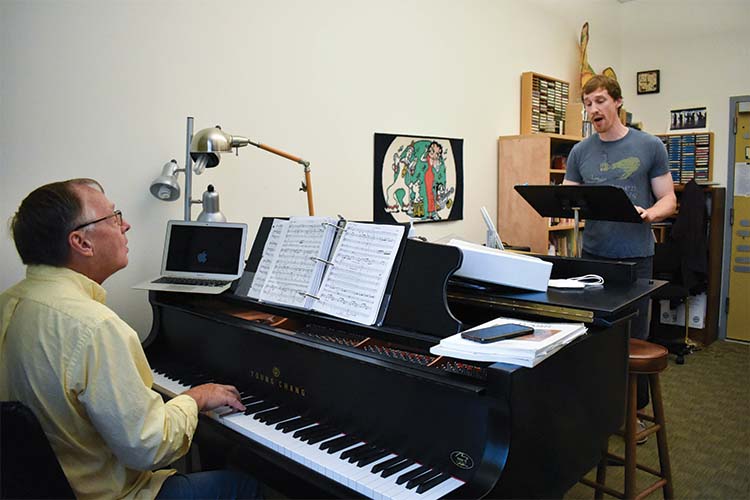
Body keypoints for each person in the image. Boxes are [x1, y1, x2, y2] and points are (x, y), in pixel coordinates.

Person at [0, 178, 261, 499]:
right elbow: (150, 447)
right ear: (81, 242)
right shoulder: (94, 326)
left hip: (41, 487)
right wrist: (196, 398)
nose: (125, 225)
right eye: (112, 217)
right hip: (107, 495)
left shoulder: (10, 302)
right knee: (243, 485)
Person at [564, 75, 677, 430]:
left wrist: (649, 214)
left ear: (617, 102)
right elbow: (569, 197)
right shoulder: (581, 152)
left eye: (599, 101)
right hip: (593, 257)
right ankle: (599, 412)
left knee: (634, 335)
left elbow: (669, 200)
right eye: (587, 104)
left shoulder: (649, 146)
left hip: (635, 258)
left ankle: (634, 416)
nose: (593, 109)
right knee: (594, 335)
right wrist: (565, 203)